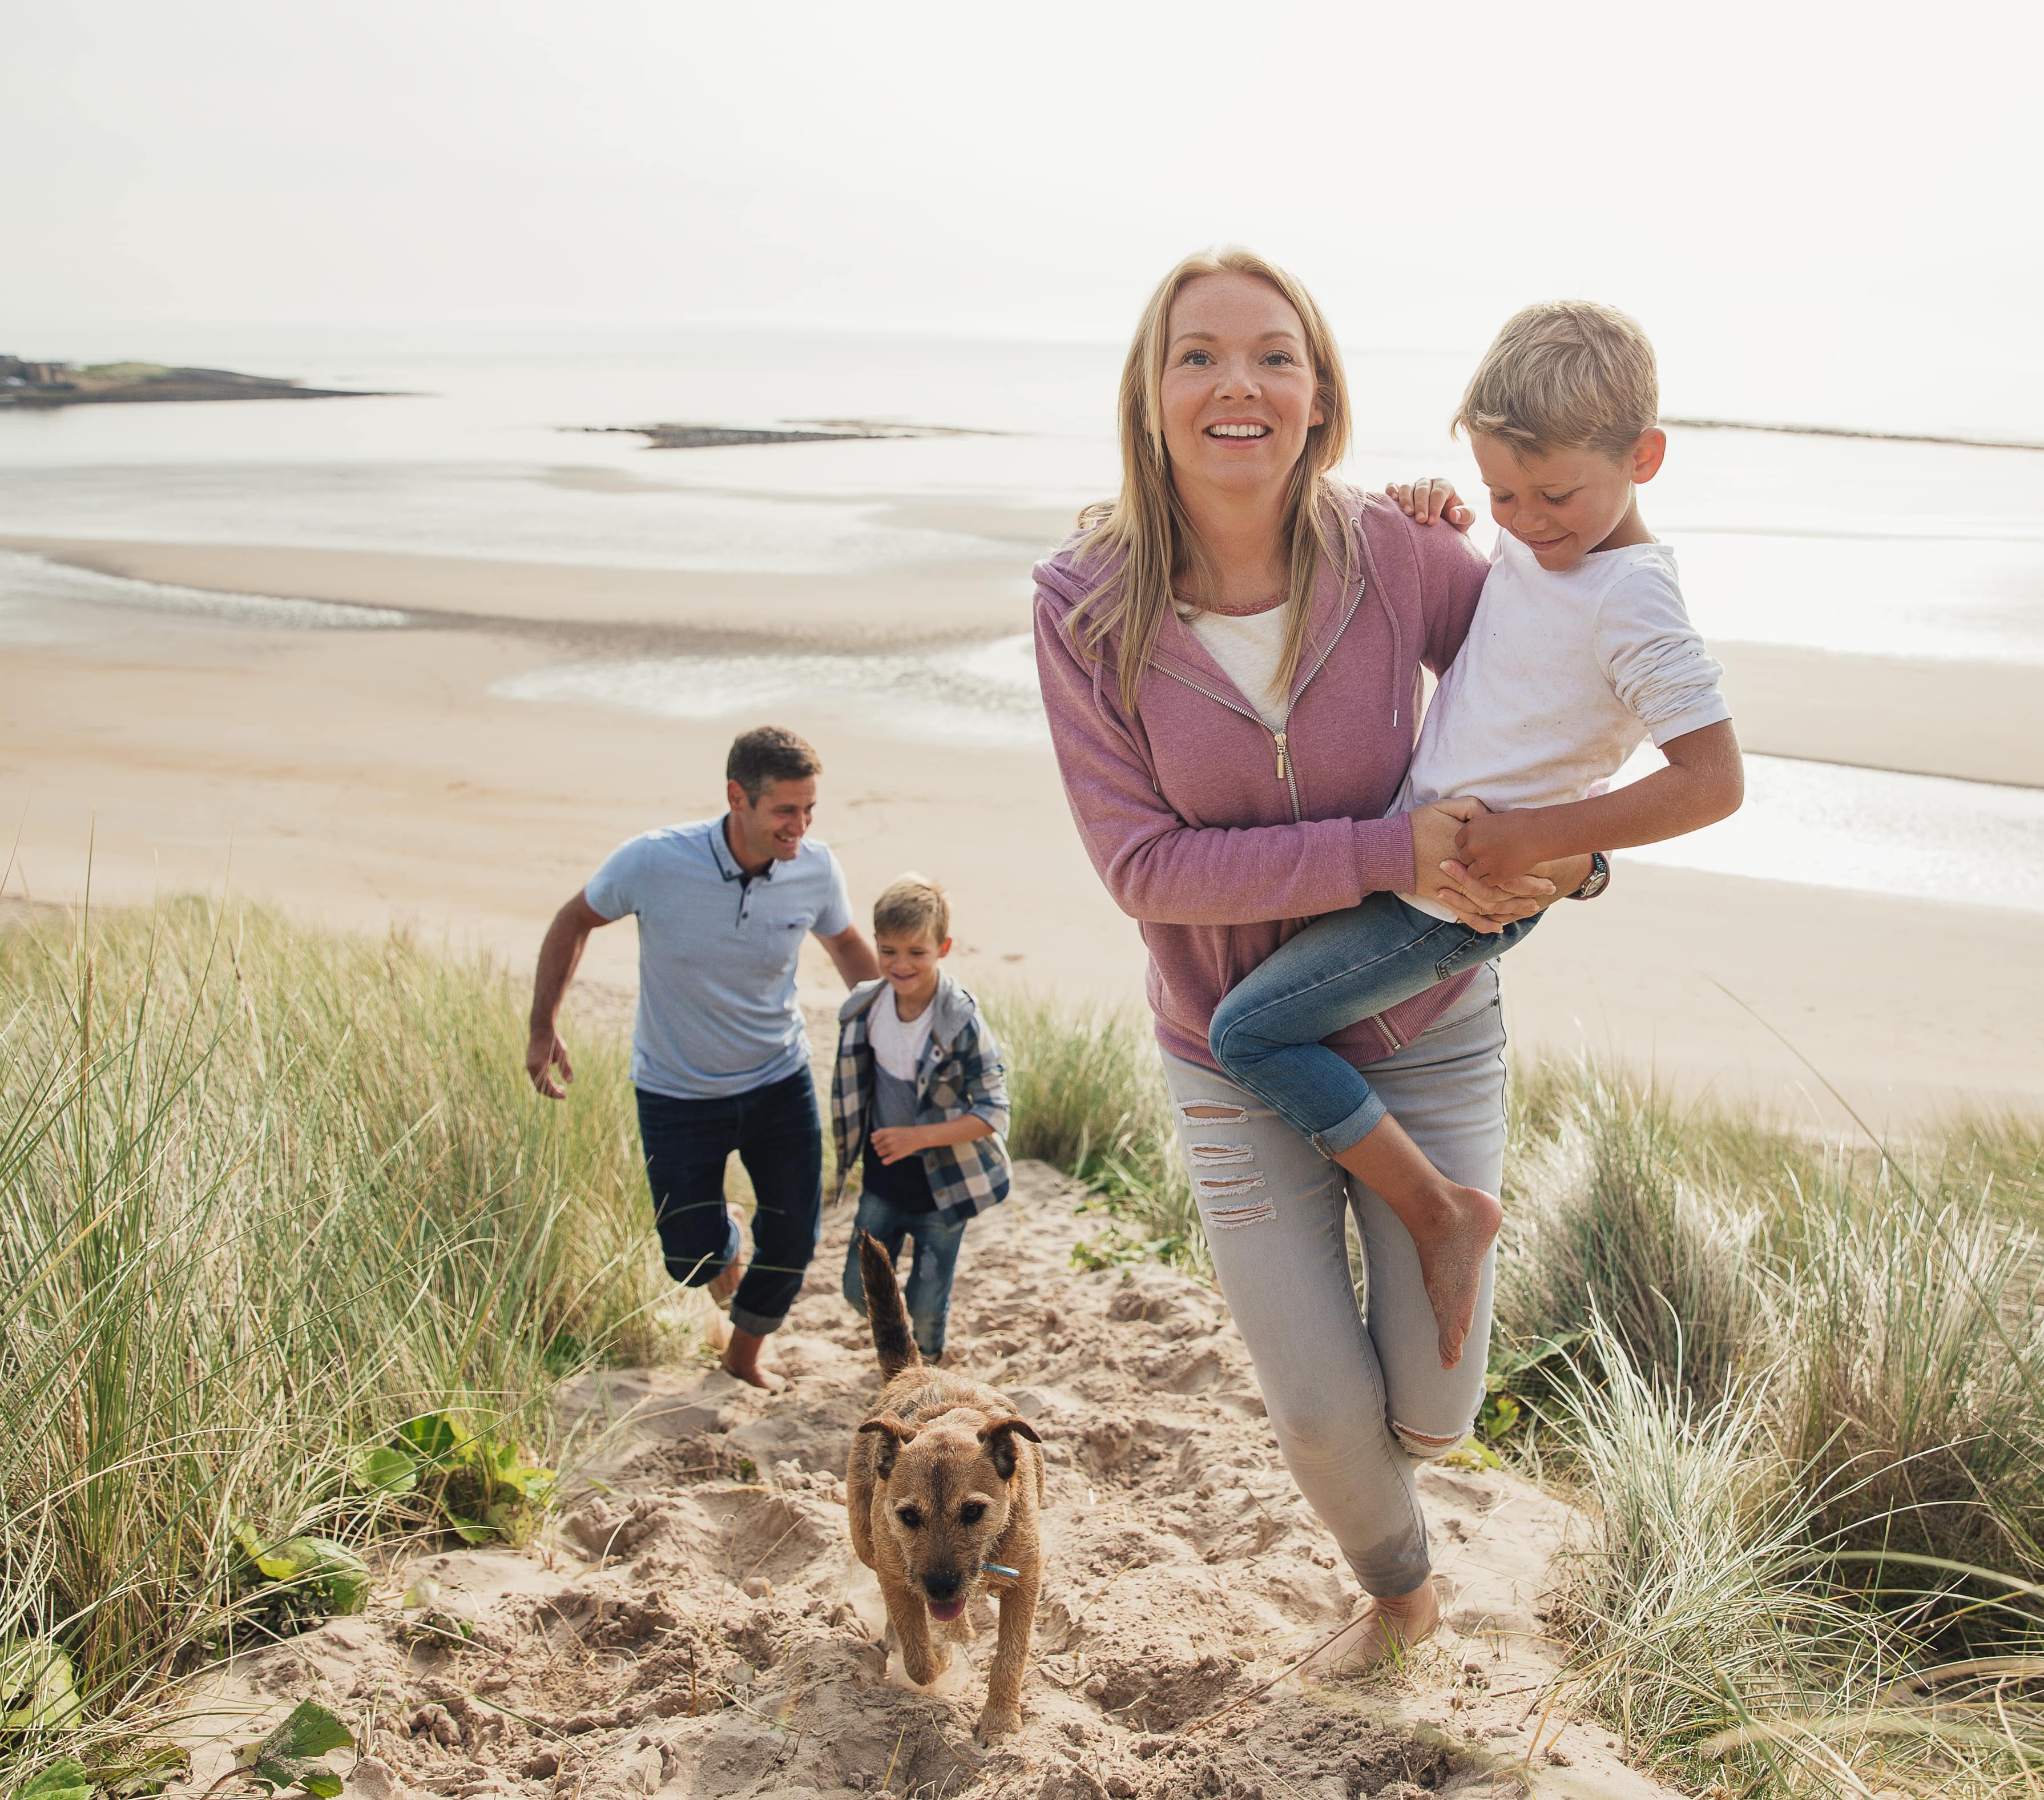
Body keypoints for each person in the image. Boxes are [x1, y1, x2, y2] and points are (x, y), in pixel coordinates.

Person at [1032, 246, 1600, 1666]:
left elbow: (1556, 703)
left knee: (1432, 1410)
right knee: (1315, 1411)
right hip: (1228, 1050)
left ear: (1320, 393)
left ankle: (1434, 1239)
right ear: (1151, 395)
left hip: (1428, 1022)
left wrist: (1582, 857)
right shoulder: (1083, 605)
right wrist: (1386, 851)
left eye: (1274, 354)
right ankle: (1400, 1592)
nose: (1238, 382)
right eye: (1199, 354)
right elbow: (1140, 866)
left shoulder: (1404, 555)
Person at [1206, 301, 1742, 1370]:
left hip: (1452, 902)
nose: (1527, 519)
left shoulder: (1633, 599)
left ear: (1644, 457)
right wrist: (1438, 510)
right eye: (1501, 489)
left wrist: (1541, 837)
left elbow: (1712, 781)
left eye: (1554, 494)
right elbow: (1503, 661)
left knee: (1246, 1034)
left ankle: (1440, 1211)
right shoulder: (1541, 546)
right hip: (1420, 868)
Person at [526, 725, 877, 1391]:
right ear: (736, 797)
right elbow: (573, 921)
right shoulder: (654, 862)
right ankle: (726, 1234)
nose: (798, 827)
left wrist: (897, 1027)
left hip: (779, 1081)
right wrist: (543, 1026)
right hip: (676, 1090)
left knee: (796, 1241)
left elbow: (847, 951)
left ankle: (742, 1358)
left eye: (809, 811)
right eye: (784, 811)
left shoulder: (815, 867)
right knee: (691, 1258)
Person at [825, 872, 1011, 1362]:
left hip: (943, 1189)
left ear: (943, 947)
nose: (900, 964)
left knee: (927, 1305)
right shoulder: (863, 1008)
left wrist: (916, 1138)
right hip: (882, 1180)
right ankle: (900, 1344)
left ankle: (921, 1374)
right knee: (857, 1289)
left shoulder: (961, 1021)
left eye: (916, 952)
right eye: (888, 951)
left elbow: (993, 1110)